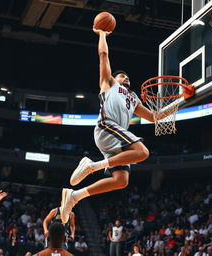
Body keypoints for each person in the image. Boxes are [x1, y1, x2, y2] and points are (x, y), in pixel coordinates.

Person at [60, 28, 167, 224]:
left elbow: (153, 117)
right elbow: (103, 54)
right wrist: (102, 34)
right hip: (107, 127)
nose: (125, 77)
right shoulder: (109, 83)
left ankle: (75, 196)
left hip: (116, 141)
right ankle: (92, 166)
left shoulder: (134, 98)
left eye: (127, 77)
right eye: (122, 76)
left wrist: (180, 102)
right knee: (143, 152)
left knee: (121, 181)